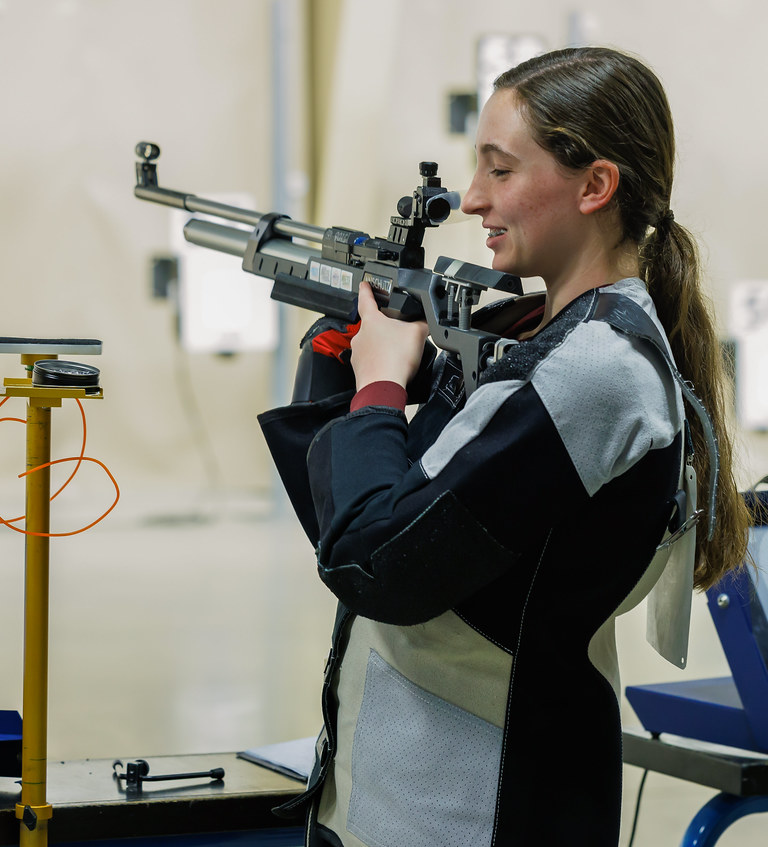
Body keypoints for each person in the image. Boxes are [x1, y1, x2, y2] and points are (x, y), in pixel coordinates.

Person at [258, 46, 751, 846]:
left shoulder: (595, 370)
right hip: (402, 790)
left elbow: (383, 564)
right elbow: (363, 527)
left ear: (596, 185)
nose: (474, 198)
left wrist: (381, 385)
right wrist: (341, 368)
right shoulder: (535, 337)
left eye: (501, 170)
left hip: (477, 808)